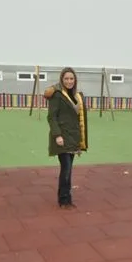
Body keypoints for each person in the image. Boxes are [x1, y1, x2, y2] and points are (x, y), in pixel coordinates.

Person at [45, 67, 88, 209]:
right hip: (62, 137)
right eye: (66, 79)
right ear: (61, 80)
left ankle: (67, 198)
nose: (69, 81)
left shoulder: (77, 96)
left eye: (71, 78)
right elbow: (52, 117)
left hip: (73, 138)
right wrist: (57, 135)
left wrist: (80, 140)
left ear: (75, 80)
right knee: (66, 168)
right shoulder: (57, 95)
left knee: (68, 169)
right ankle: (63, 199)